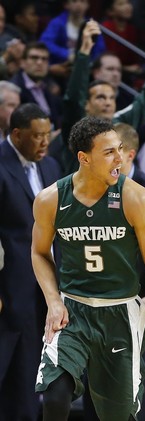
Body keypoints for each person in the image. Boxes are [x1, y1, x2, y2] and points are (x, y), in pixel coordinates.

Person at [32, 116, 145, 420]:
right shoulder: (50, 199)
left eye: (120, 149)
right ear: (84, 158)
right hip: (72, 310)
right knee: (54, 394)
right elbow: (38, 253)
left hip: (120, 314)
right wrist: (53, 300)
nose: (120, 159)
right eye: (109, 153)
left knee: (118, 415)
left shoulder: (136, 198)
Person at [53, 18, 145, 175]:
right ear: (87, 104)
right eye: (101, 97)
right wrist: (83, 55)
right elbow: (74, 99)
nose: (108, 103)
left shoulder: (120, 122)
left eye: (111, 98)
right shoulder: (77, 127)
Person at [0, 103, 61, 421]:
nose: (44, 142)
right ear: (17, 134)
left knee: (32, 367)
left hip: (45, 287)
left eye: (48, 135)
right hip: (9, 287)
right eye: (37, 136)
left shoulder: (50, 167)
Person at [39, 0, 106, 78]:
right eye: (74, 1)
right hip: (60, 68)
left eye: (82, 1)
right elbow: (45, 43)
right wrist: (67, 54)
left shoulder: (92, 25)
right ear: (66, 5)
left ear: (88, 5)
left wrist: (89, 63)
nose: (78, 5)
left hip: (85, 71)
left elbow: (100, 50)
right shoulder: (57, 22)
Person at [10, 42, 63, 129]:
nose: (39, 62)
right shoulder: (13, 89)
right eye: (34, 58)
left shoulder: (49, 87)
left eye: (44, 59)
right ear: (22, 63)